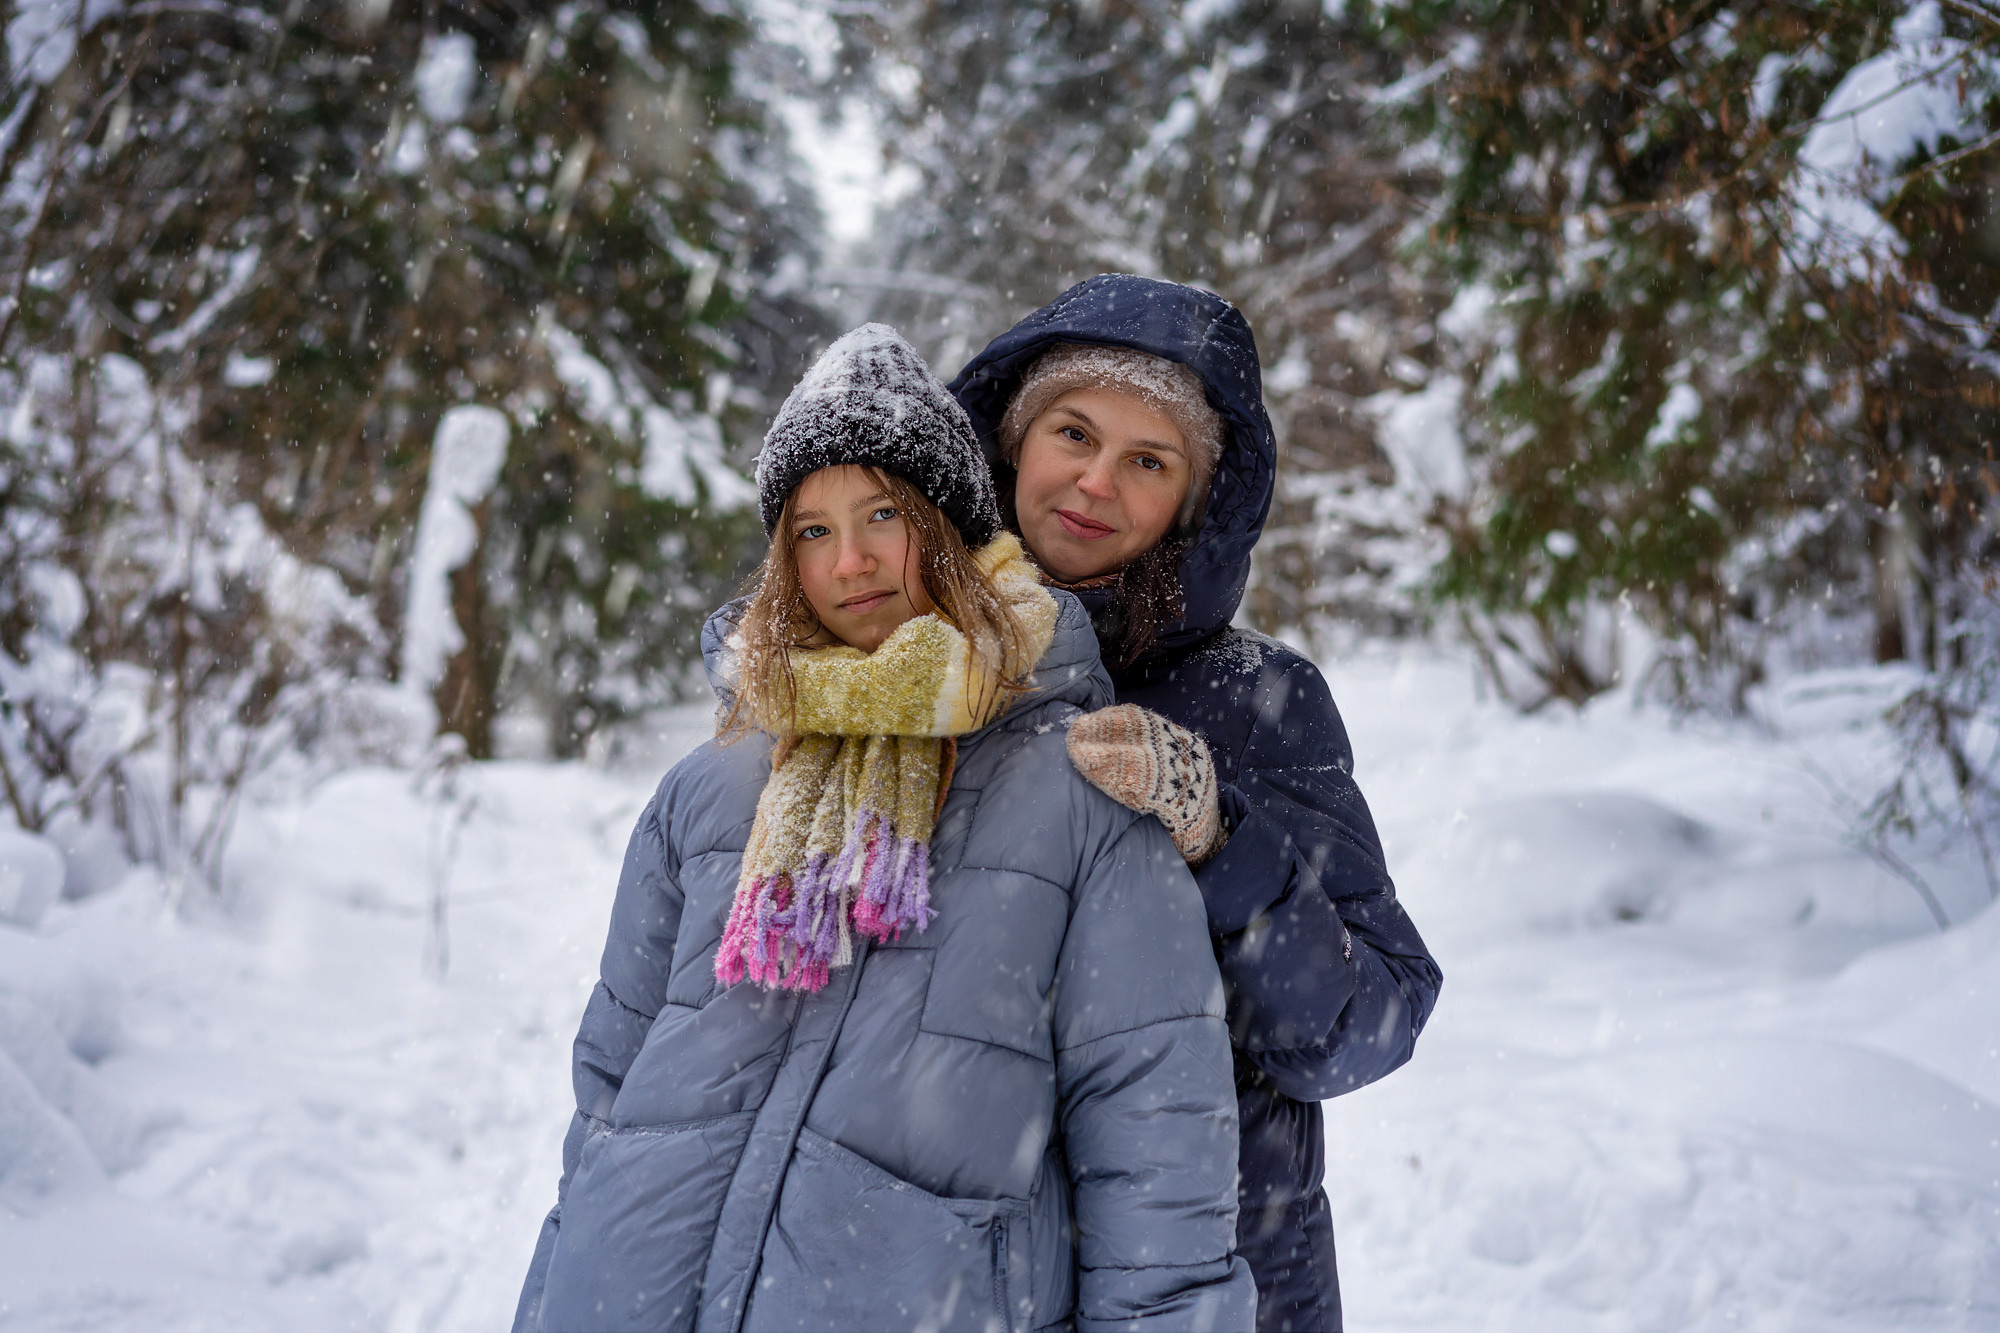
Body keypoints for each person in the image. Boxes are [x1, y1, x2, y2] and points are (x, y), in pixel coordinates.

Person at [511, 324, 1255, 1333]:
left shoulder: (1081, 791)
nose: (849, 560)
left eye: (880, 515)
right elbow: (605, 1102)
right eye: (810, 530)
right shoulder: (710, 786)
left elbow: (1155, 1142)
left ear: (949, 531)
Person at [951, 275, 1444, 1333]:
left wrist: (1219, 838)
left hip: (1223, 1274)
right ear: (1008, 441)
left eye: (1147, 460)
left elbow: (1362, 1025)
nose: (1094, 481)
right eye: (1072, 432)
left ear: (1194, 501)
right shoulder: (917, 676)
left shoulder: (1257, 702)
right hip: (961, 1278)